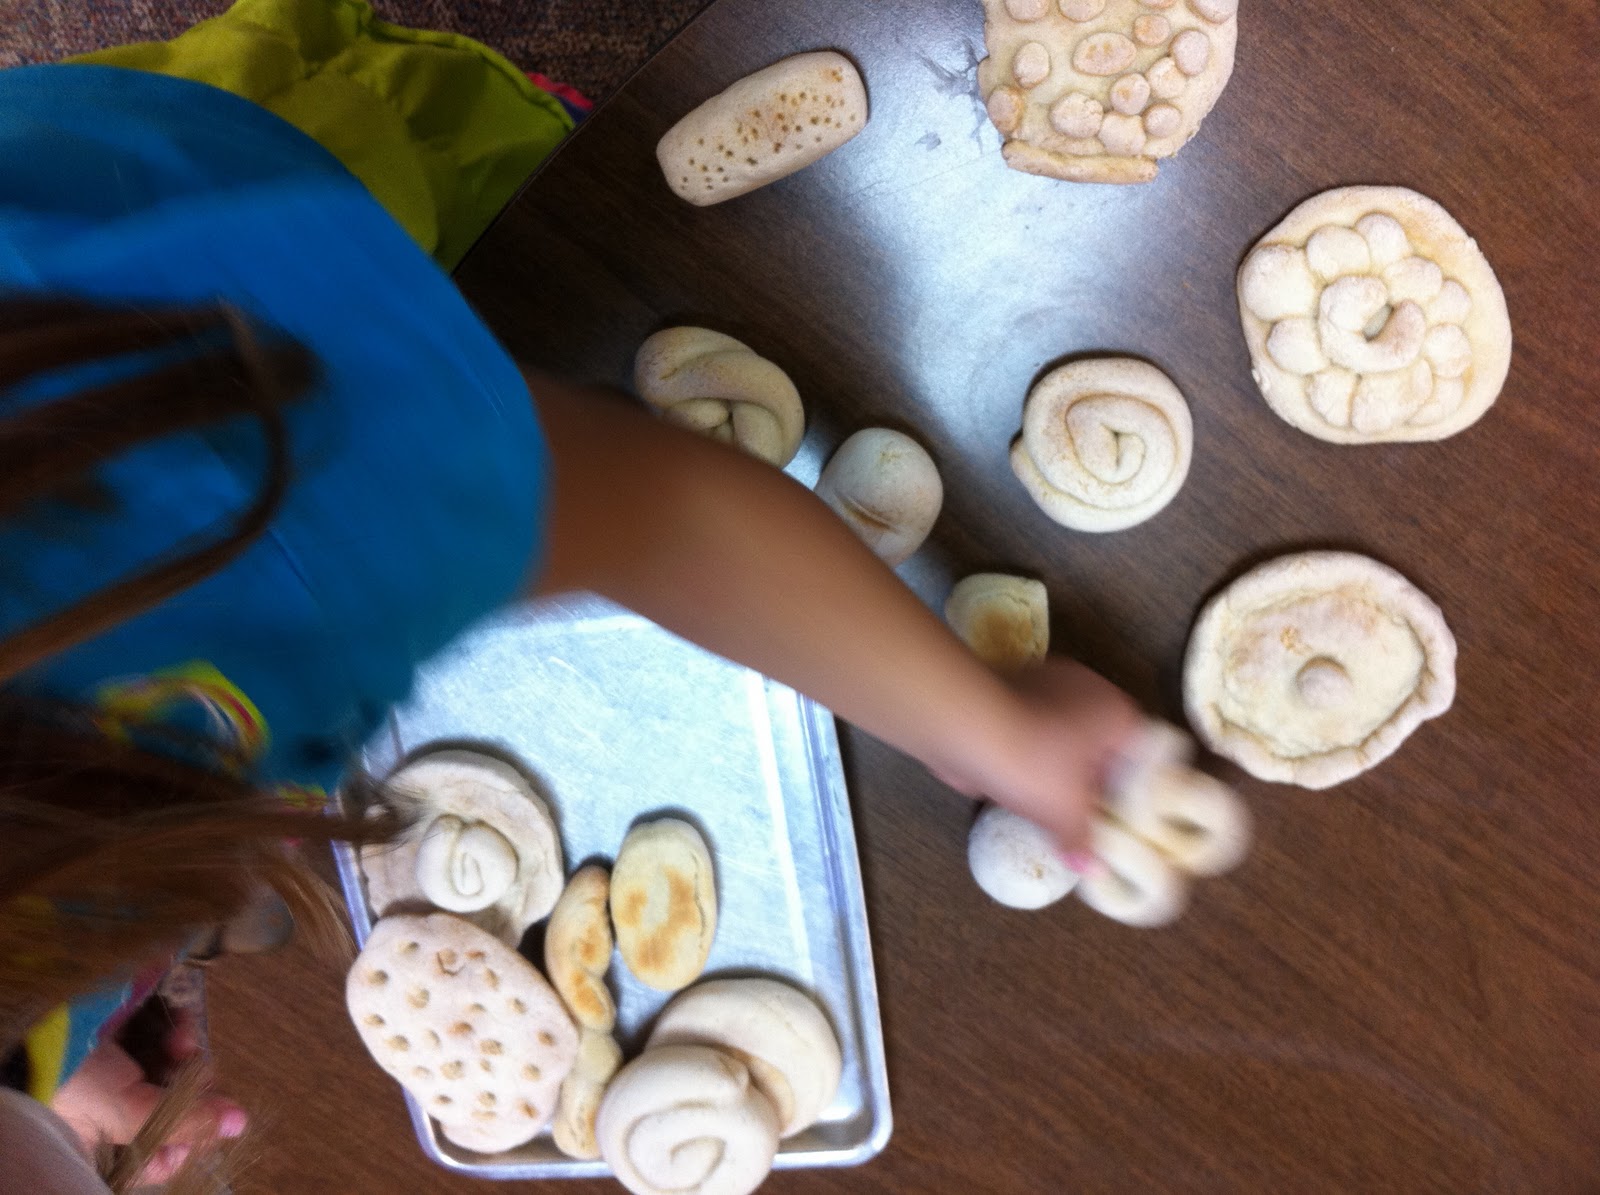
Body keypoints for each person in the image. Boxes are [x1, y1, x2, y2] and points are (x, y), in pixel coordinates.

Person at [0, 8, 1142, 1192]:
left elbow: (662, 511)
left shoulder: (233, 521)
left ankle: (483, 116)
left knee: (486, 198)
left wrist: (988, 728)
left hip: (198, 264)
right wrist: (60, 1054)